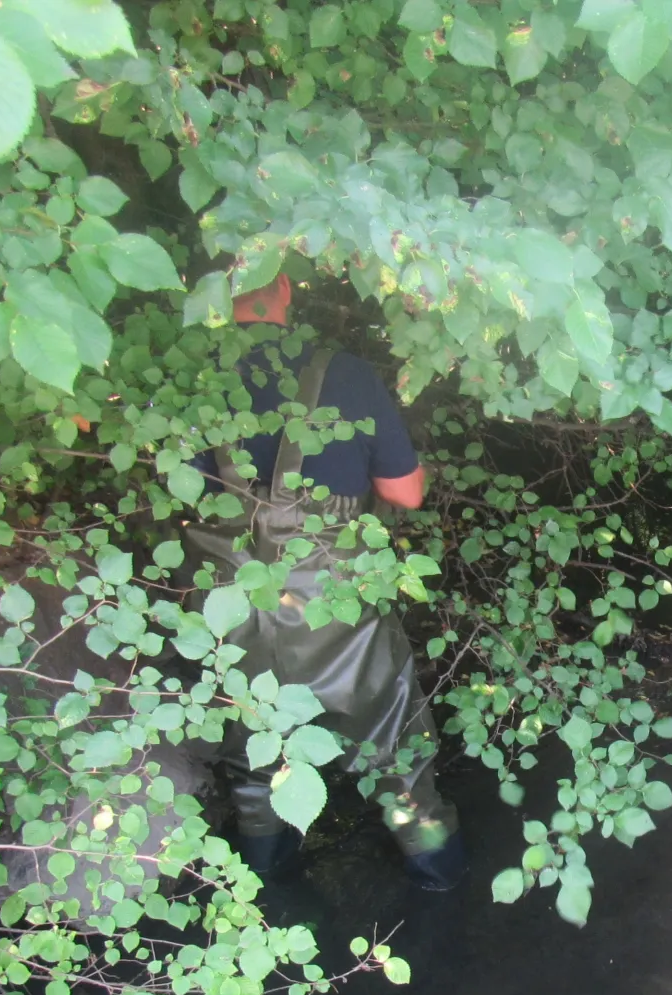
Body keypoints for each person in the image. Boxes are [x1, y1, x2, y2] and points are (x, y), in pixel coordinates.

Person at [184, 270, 464, 889]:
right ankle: (440, 878)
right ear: (284, 285)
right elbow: (407, 493)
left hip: (229, 608)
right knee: (393, 747)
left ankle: (262, 899)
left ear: (214, 290)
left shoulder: (189, 379)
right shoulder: (346, 375)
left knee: (254, 757)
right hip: (334, 607)